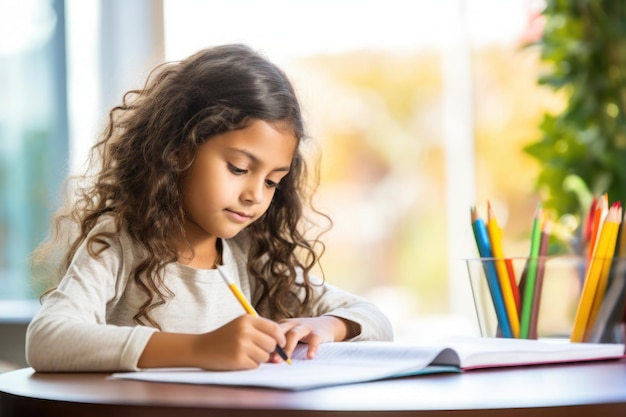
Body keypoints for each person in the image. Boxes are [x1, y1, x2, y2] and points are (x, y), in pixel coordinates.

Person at [26, 44, 393, 372]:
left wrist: (327, 326)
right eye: (238, 168)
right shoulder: (121, 242)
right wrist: (200, 348)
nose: (255, 195)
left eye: (271, 181)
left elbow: (375, 320)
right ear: (177, 150)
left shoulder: (253, 256)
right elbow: (47, 339)